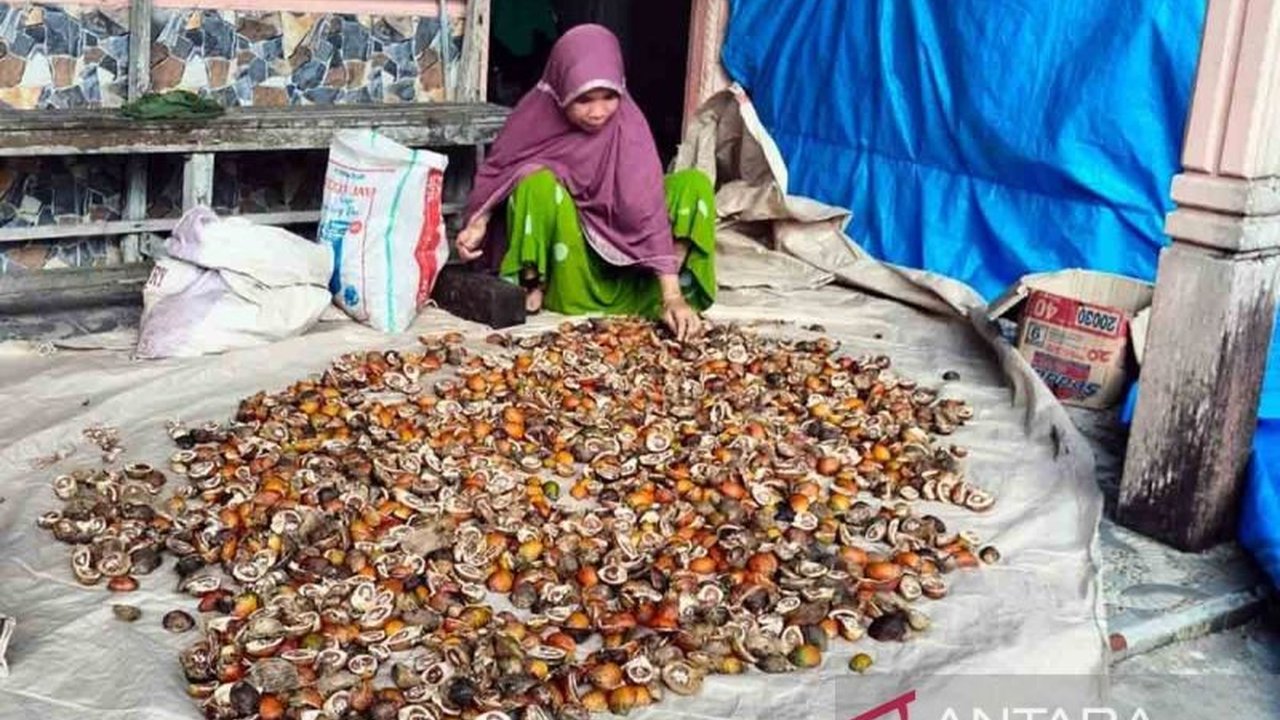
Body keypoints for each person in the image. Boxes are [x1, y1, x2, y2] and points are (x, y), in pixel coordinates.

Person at [455, 24, 716, 341]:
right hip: (572, 268)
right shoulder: (533, 119)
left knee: (694, 184)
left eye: (609, 97)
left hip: (638, 268)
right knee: (535, 183)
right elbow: (500, 172)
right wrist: (478, 221)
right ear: (560, 89)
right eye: (584, 100)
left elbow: (644, 210)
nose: (597, 112)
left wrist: (671, 295)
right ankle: (533, 283)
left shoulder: (629, 128)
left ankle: (665, 295)